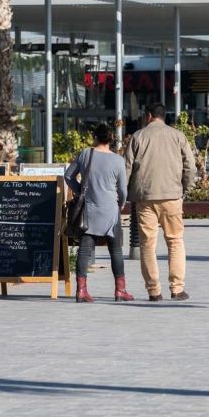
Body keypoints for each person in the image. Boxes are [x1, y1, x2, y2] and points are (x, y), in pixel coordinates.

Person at [125, 103, 197, 301]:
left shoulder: (138, 137)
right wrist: (184, 189)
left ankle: (154, 291)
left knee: (148, 244)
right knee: (175, 241)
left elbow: (127, 169)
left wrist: (124, 194)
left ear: (149, 116)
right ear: (164, 117)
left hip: (145, 197)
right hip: (172, 196)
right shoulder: (177, 136)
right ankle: (177, 288)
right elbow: (190, 167)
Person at [64, 123, 131, 303]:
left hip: (89, 210)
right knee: (115, 250)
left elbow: (68, 175)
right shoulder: (118, 160)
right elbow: (123, 190)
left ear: (95, 137)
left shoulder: (86, 154)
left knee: (84, 250)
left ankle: (82, 290)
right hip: (110, 211)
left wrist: (79, 191)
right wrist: (121, 204)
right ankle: (120, 290)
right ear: (111, 139)